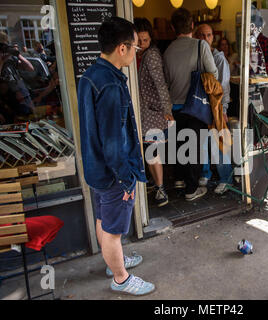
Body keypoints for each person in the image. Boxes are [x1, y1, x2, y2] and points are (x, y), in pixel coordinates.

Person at [77, 17, 155, 296]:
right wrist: (125, 180)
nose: (137, 52)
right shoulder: (109, 84)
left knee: (103, 220)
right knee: (112, 230)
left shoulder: (90, 76)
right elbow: (112, 141)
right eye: (135, 46)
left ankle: (113, 262)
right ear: (122, 48)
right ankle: (121, 277)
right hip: (112, 174)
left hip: (96, 169)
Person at [163, 8, 218, 201]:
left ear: (172, 28)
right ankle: (191, 189)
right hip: (196, 106)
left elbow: (167, 82)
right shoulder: (200, 46)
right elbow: (213, 74)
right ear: (192, 26)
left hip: (175, 106)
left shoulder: (168, 51)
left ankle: (180, 180)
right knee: (194, 148)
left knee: (180, 145)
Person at [134, 17, 173, 207]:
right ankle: (156, 184)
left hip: (153, 113)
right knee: (149, 152)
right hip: (144, 113)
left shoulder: (151, 55)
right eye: (138, 41)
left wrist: (167, 109)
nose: (142, 44)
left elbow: (161, 84)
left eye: (145, 40)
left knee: (152, 152)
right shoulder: (137, 55)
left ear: (151, 39)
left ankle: (160, 188)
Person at [194, 24, 233, 194]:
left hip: (216, 106)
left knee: (218, 143)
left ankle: (226, 178)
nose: (205, 38)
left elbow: (224, 86)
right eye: (201, 35)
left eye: (208, 35)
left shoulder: (218, 58)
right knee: (203, 141)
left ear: (212, 37)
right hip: (200, 105)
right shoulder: (196, 55)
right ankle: (205, 173)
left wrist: (223, 109)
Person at [0, 32, 35, 117]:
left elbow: (30, 68)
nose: (3, 49)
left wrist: (18, 55)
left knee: (30, 116)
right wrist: (2, 61)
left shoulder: (11, 59)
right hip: (6, 99)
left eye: (5, 46)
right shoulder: (3, 60)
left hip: (22, 95)